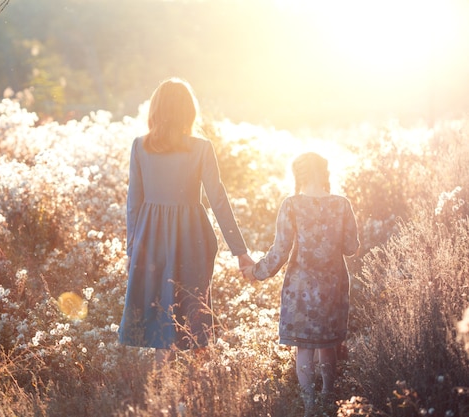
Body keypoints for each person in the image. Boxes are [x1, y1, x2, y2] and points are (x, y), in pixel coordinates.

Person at [119, 77, 254, 367]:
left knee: (160, 316)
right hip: (193, 237)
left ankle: (162, 391)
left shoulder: (140, 146)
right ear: (188, 112)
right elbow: (218, 199)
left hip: (151, 237)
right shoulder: (201, 147)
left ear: (156, 109)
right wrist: (240, 252)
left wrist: (132, 249)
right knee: (196, 311)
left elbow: (134, 203)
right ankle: (200, 387)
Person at [242, 152, 359, 416]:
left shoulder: (291, 205)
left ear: (299, 175)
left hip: (301, 287)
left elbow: (280, 251)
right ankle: (329, 399)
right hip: (334, 285)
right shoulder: (342, 205)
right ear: (325, 173)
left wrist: (255, 272)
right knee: (328, 344)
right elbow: (351, 248)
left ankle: (309, 407)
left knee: (304, 347)